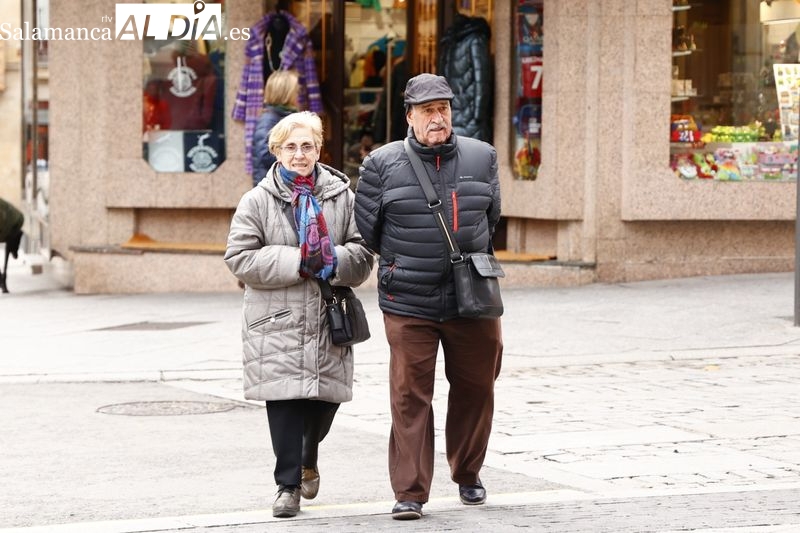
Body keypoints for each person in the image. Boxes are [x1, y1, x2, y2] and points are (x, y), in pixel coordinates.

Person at [354, 73, 503, 520]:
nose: (437, 119)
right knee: (409, 394)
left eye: (444, 109)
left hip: (472, 299)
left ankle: (468, 472)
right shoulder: (380, 164)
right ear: (409, 116)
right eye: (427, 111)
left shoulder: (483, 156)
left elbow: (490, 217)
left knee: (477, 386)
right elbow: (369, 230)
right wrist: (405, 264)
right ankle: (410, 492)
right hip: (408, 299)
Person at [224, 111, 374, 518]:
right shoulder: (257, 199)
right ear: (277, 151)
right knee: (286, 401)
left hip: (329, 316)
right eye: (290, 147)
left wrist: (333, 259)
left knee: (326, 402)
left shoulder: (343, 195)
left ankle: (310, 452)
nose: (299, 154)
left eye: (306, 146)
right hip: (276, 319)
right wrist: (300, 261)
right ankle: (287, 486)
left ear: (319, 149)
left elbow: (362, 254)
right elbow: (238, 257)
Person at [251, 69, 300, 186]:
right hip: (272, 187)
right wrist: (294, 155)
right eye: (296, 92)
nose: (298, 95)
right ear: (285, 94)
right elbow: (264, 155)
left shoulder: (285, 117)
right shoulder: (268, 120)